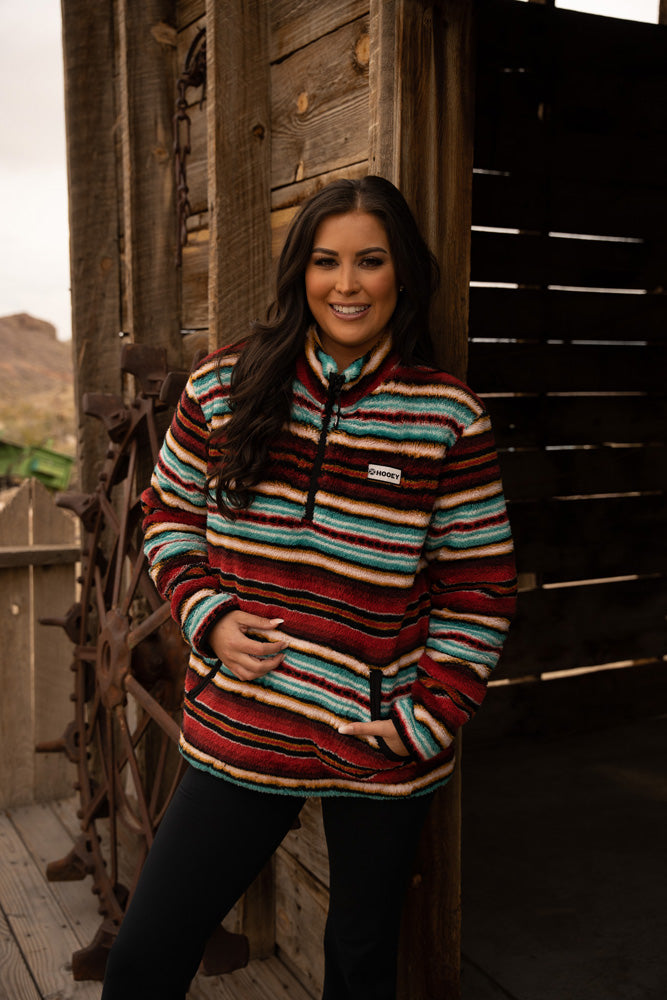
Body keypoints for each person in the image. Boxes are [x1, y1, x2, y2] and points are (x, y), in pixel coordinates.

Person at [101, 175, 517, 1000]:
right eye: (326, 262)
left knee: (361, 966)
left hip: (377, 736)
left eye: (370, 261)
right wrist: (209, 618)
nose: (347, 283)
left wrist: (426, 714)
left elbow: (479, 585)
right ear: (301, 273)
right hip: (240, 722)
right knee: (146, 956)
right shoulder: (225, 386)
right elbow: (166, 513)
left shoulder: (446, 418)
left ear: (402, 274)